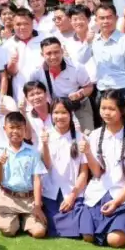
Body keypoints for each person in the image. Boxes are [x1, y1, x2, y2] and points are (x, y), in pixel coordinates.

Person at [79, 90, 125, 248]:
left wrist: (117, 202)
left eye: (111, 109)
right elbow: (97, 172)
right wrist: (88, 152)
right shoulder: (95, 135)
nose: (106, 113)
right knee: (88, 236)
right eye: (103, 108)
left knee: (115, 240)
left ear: (122, 110)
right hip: (100, 192)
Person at [0, 111, 48, 238]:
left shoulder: (33, 152)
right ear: (4, 129)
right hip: (8, 197)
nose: (15, 131)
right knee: (8, 230)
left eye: (19, 128)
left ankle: (26, 220)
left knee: (39, 232)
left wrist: (37, 205)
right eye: (11, 127)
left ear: (25, 129)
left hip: (29, 199)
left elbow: (37, 180)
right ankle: (17, 220)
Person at [21, 36, 94, 131]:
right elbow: (30, 91)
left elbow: (89, 87)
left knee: (86, 136)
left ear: (62, 51)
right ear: (42, 54)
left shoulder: (77, 67)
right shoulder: (36, 72)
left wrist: (79, 94)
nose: (53, 57)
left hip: (78, 108)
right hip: (54, 112)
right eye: (48, 53)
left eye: (56, 52)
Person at [41, 98, 88, 238]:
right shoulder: (46, 135)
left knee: (77, 228)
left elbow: (84, 173)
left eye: (64, 112)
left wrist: (72, 196)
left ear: (71, 114)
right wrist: (44, 145)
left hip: (73, 192)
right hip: (50, 192)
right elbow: (46, 166)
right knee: (50, 225)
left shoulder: (81, 138)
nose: (59, 116)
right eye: (56, 113)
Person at [90, 4, 125, 123]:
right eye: (102, 18)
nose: (105, 21)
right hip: (102, 92)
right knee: (106, 130)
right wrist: (86, 42)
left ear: (116, 18)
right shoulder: (93, 40)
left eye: (109, 17)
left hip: (123, 91)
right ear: (96, 20)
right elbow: (81, 59)